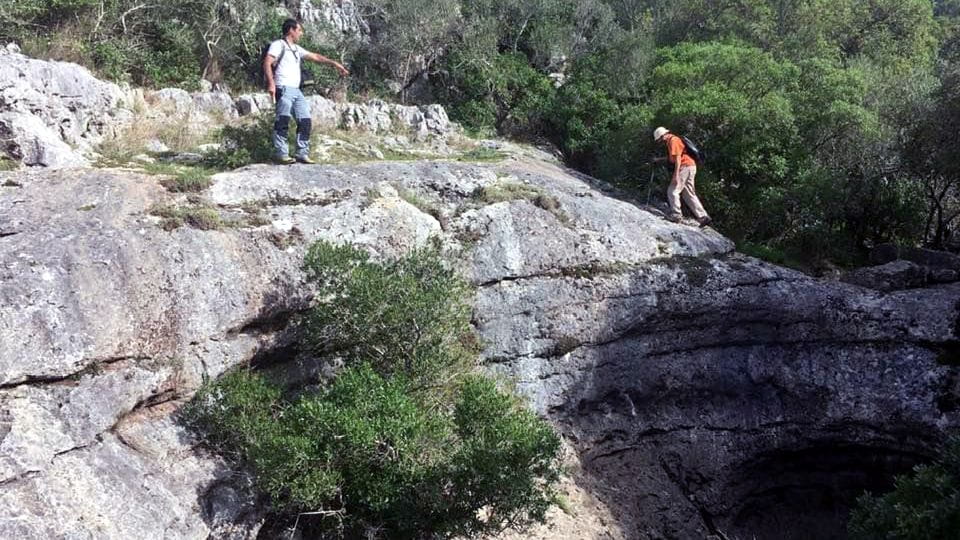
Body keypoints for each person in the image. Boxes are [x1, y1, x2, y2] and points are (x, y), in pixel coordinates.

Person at [264, 19, 349, 164]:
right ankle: (281, 153)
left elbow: (315, 56)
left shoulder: (297, 49)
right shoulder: (278, 45)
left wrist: (334, 64)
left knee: (305, 120)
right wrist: (271, 84)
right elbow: (267, 62)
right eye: (299, 30)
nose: (301, 33)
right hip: (283, 88)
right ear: (291, 30)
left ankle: (301, 153)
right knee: (282, 120)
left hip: (297, 91)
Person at [653, 126, 711, 228]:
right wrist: (658, 159)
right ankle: (703, 217)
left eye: (659, 140)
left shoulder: (673, 140)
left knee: (672, 190)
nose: (660, 142)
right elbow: (673, 157)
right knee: (688, 193)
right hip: (690, 166)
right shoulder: (673, 140)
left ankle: (676, 214)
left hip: (684, 166)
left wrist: (676, 174)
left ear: (663, 136)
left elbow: (678, 158)